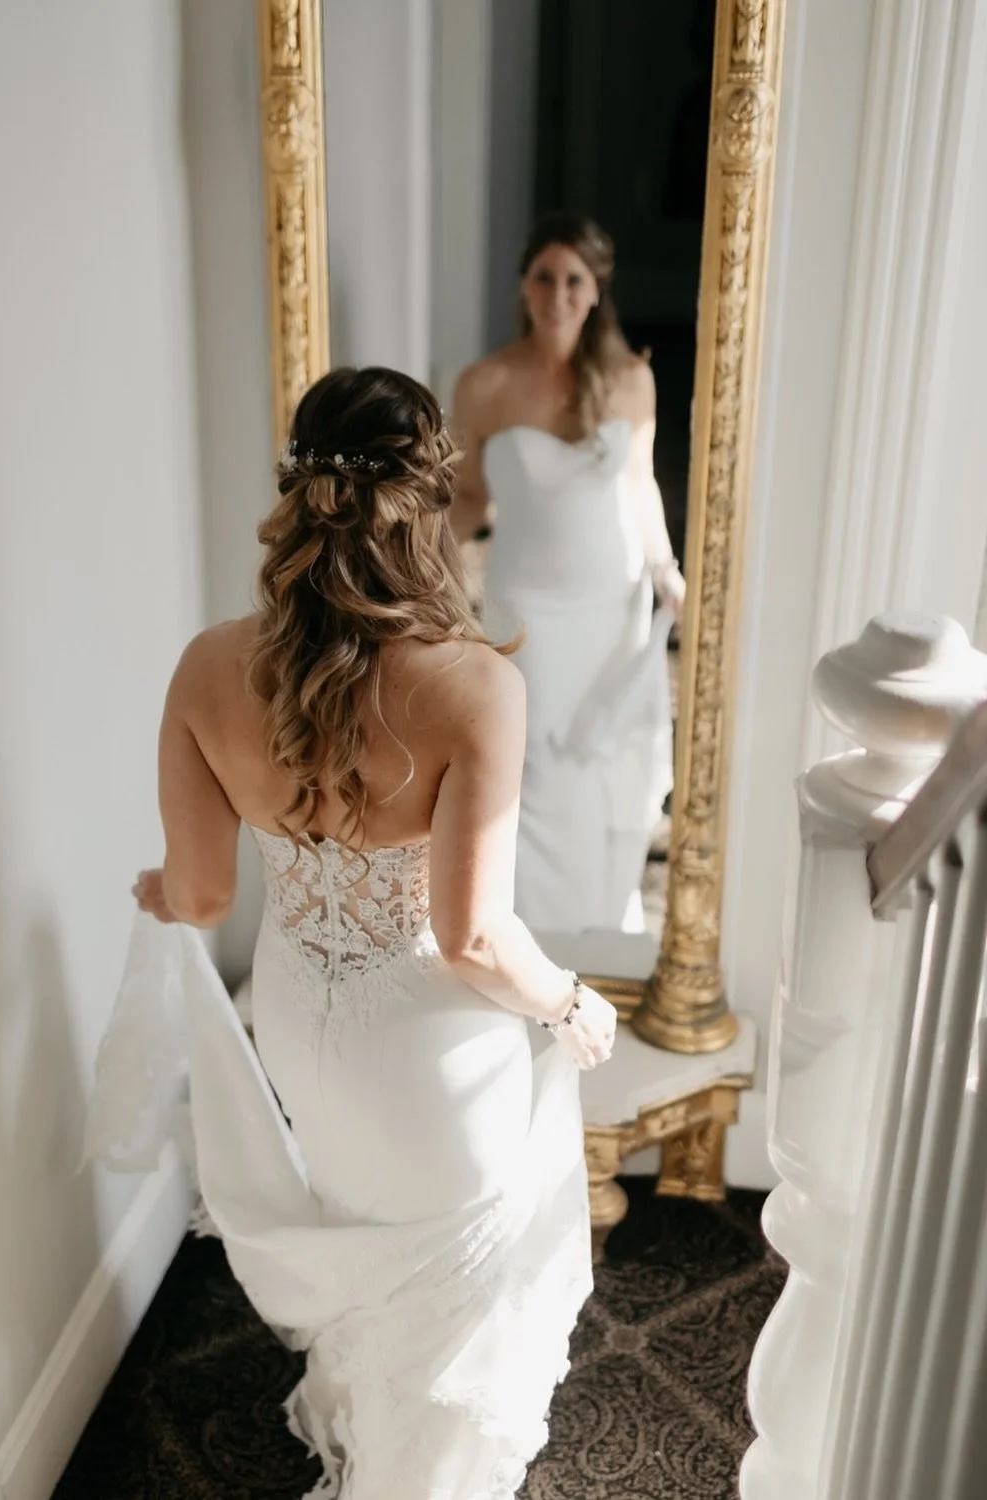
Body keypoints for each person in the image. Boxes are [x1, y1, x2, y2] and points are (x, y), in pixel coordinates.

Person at [130, 367, 616, 1498]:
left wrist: (159, 888)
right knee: (447, 1279)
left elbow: (201, 899)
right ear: (430, 505)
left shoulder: (208, 668)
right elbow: (473, 941)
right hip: (433, 1055)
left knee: (369, 1248)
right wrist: (569, 1002)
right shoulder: (473, 689)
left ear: (297, 490)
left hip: (302, 1025)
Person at [450, 213, 684, 934]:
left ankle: (600, 927)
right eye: (545, 277)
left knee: (602, 768)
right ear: (524, 284)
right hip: (529, 611)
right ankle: (526, 934)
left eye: (573, 280)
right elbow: (465, 498)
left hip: (611, 605)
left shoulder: (629, 380)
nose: (557, 294)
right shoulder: (483, 384)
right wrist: (416, 568)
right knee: (537, 766)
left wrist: (666, 568)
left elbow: (640, 483)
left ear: (595, 290)